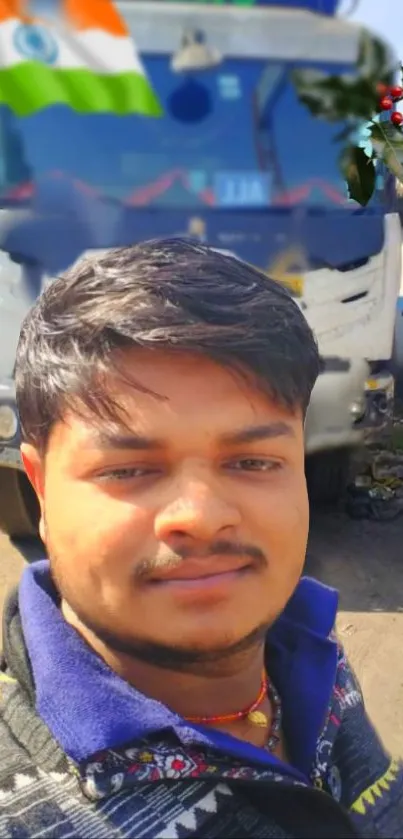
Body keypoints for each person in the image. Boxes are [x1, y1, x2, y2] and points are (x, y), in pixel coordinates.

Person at [0, 238, 401, 838]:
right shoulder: (27, 804)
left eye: (253, 462)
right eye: (129, 470)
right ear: (40, 487)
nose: (202, 515)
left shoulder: (306, 650)